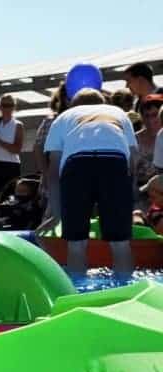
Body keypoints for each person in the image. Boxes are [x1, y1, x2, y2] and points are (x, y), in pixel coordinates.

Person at [44, 88, 138, 273]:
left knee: (76, 244)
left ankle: (78, 294)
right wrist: (127, 202)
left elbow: (53, 171)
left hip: (77, 164)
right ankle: (126, 292)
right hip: (115, 162)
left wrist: (55, 213)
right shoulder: (118, 113)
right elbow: (133, 161)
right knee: (120, 244)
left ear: (73, 105)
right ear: (103, 103)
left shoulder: (64, 116)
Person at [33, 83, 69, 221]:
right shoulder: (51, 121)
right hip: (55, 181)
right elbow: (38, 148)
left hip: (80, 181)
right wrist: (47, 175)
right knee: (52, 219)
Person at [134, 95, 163, 210]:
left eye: (155, 115)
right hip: (140, 195)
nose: (151, 120)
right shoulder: (134, 141)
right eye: (147, 116)